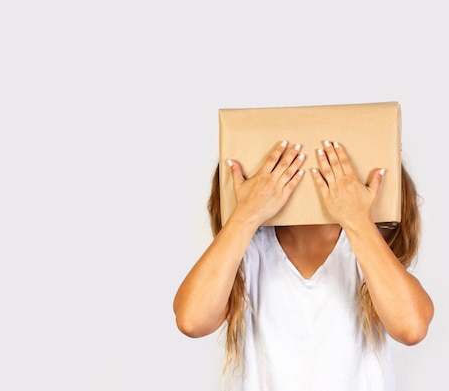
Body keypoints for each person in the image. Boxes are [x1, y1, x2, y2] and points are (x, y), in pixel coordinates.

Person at [173, 140, 434, 390]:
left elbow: (411, 327)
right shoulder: (250, 249)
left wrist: (357, 218)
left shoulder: (365, 250)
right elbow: (192, 321)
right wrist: (247, 213)